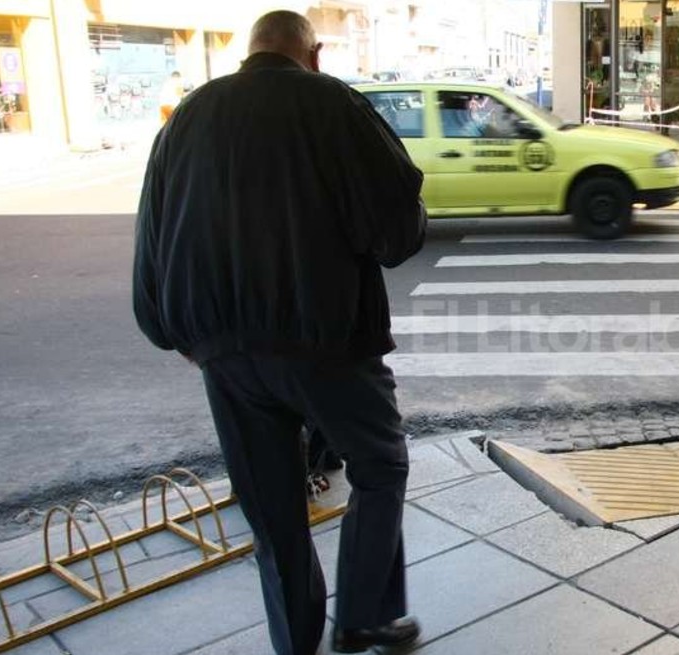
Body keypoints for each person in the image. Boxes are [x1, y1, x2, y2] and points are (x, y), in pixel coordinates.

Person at [132, 10, 426, 655]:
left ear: (250, 52)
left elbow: (152, 234)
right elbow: (396, 232)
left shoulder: (186, 117)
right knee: (379, 465)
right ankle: (364, 619)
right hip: (324, 340)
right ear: (312, 54)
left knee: (272, 513)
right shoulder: (334, 104)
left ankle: (295, 643)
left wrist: (169, 330)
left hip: (222, 352)